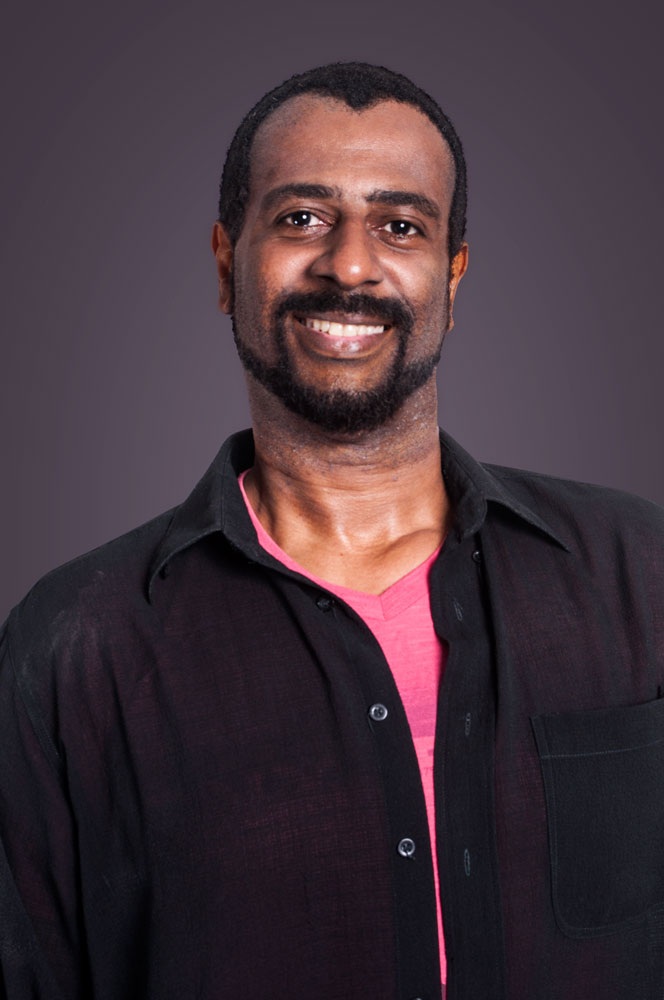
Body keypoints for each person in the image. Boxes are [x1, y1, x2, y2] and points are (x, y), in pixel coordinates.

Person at [1, 61, 663, 1000]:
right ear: (227, 265)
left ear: (453, 276)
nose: (350, 265)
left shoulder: (638, 576)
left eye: (401, 226)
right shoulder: (75, 647)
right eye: (303, 218)